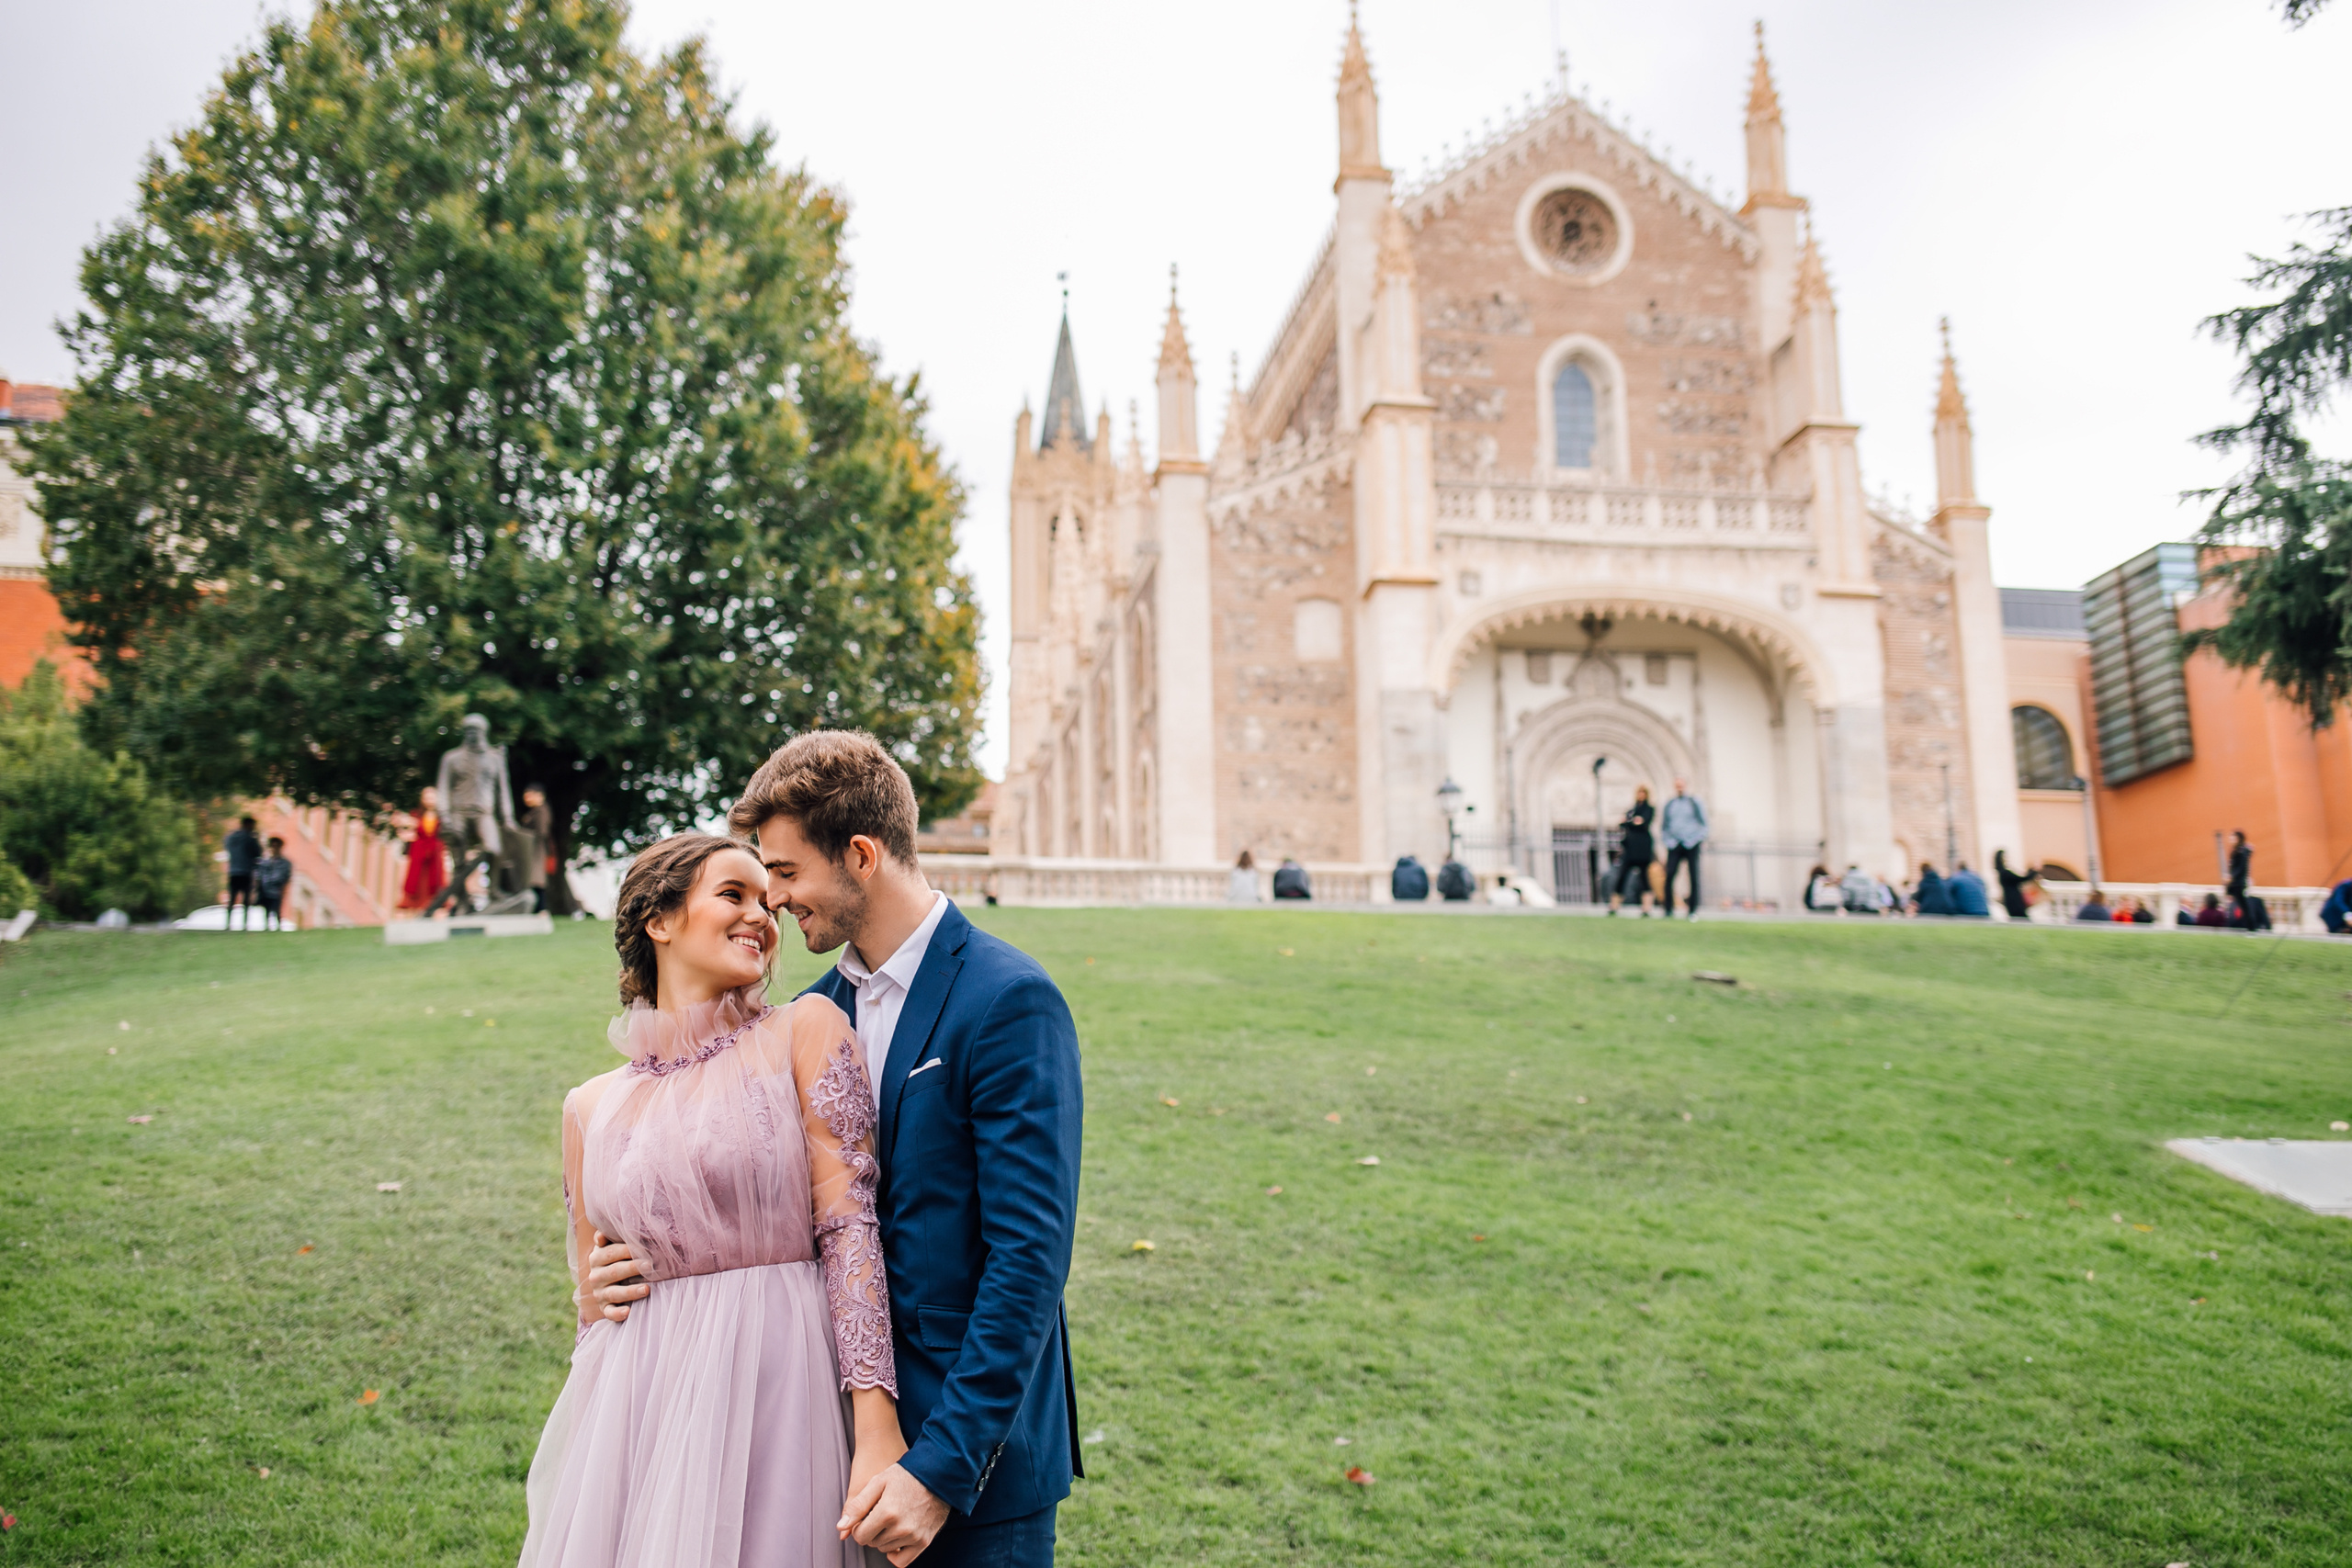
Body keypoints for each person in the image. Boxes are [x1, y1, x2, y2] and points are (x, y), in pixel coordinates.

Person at [583, 732, 1083, 1567]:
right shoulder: (806, 1016)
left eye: (782, 872)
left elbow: (1029, 1260)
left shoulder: (1008, 999)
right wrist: (607, 1276)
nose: (772, 901)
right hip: (818, 1449)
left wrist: (939, 1469)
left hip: (972, 1468)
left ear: (859, 854)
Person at [518, 832, 902, 1568]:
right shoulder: (590, 1106)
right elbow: (590, 1302)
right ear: (659, 920)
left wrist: (876, 1423)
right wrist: (592, 1294)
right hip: (637, 1406)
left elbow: (852, 1230)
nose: (763, 915)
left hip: (781, 1385)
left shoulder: (806, 1030)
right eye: (734, 894)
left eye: (768, 900)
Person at [1658, 778, 1707, 919]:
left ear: (1686, 785)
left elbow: (1704, 823)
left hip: (1691, 843)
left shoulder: (1694, 802)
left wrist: (1698, 838)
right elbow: (1664, 825)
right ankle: (1668, 910)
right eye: (1677, 786)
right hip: (1674, 844)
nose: (1679, 788)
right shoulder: (1670, 804)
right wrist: (1667, 840)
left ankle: (1692, 911)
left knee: (1693, 876)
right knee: (1669, 875)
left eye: (1681, 785)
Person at [1608, 786, 1657, 917]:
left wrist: (1631, 822)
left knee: (1644, 879)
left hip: (1642, 850)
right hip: (1630, 849)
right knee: (1622, 876)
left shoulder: (1649, 809)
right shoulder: (1632, 810)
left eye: (1643, 793)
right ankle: (1614, 906)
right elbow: (1624, 823)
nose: (1640, 795)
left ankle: (1646, 908)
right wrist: (1632, 822)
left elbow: (1642, 823)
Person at [400, 787, 448, 911]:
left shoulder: (443, 818)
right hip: (419, 854)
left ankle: (434, 905)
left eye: (432, 798)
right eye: (427, 798)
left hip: (435, 855)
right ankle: (414, 905)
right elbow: (408, 833)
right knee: (418, 881)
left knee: (435, 880)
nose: (430, 801)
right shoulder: (415, 816)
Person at [224, 815, 263, 930]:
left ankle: (228, 923)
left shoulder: (231, 837)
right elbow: (258, 852)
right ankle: (245, 924)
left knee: (232, 897)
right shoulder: (250, 839)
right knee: (246, 898)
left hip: (233, 871)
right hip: (246, 871)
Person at [520, 784, 554, 913]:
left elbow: (542, 832)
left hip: (536, 850)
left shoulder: (541, 811)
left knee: (537, 880)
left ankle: (541, 909)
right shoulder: (534, 811)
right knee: (534, 881)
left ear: (539, 795)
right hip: (533, 850)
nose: (526, 798)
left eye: (529, 794)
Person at [254, 837, 295, 931]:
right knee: (266, 909)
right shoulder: (265, 862)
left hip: (277, 890)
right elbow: (259, 874)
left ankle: (278, 926)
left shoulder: (285, 863)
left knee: (277, 909)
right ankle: (267, 926)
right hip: (265, 889)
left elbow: (285, 876)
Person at [1993, 849, 2038, 920]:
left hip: (2010, 899)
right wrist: (2034, 871)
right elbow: (2022, 879)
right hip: (2014, 900)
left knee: (2017, 918)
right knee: (2021, 919)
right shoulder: (2005, 873)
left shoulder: (2002, 873)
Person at [2226, 831, 2252, 902]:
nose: (2231, 841)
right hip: (2237, 883)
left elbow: (2240, 867)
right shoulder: (2239, 851)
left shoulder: (2240, 852)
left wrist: (2231, 877)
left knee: (2238, 904)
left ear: (2238, 839)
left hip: (2238, 884)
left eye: (2233, 839)